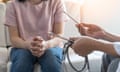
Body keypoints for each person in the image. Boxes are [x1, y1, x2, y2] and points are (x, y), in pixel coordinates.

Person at [5, 0, 66, 72]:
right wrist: (27, 45)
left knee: (51, 60)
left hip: (51, 46)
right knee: (22, 61)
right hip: (22, 47)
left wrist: (46, 45)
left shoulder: (57, 2)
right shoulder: (12, 5)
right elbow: (14, 38)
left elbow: (59, 35)